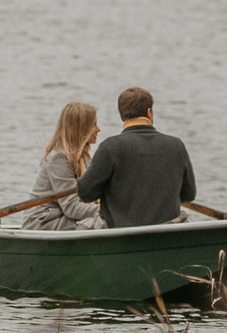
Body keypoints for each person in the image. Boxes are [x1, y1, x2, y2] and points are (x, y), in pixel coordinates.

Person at [76, 87, 196, 229]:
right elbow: (189, 194)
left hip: (121, 233)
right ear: (149, 113)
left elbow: (85, 193)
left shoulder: (110, 147)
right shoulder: (176, 145)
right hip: (166, 233)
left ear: (122, 116)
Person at [19, 101, 106, 230]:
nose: (98, 129)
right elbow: (71, 207)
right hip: (44, 222)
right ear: (81, 128)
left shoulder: (82, 156)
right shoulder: (59, 159)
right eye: (94, 125)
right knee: (103, 221)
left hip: (63, 217)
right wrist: (108, 210)